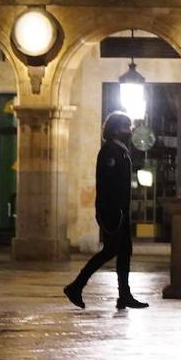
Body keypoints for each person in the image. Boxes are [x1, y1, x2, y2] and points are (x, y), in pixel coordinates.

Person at [63, 111, 148, 310]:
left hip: (121, 211)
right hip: (113, 211)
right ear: (116, 129)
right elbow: (108, 184)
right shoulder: (110, 151)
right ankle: (76, 286)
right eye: (126, 127)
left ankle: (124, 295)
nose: (130, 131)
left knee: (124, 251)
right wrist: (110, 211)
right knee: (110, 251)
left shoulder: (121, 150)